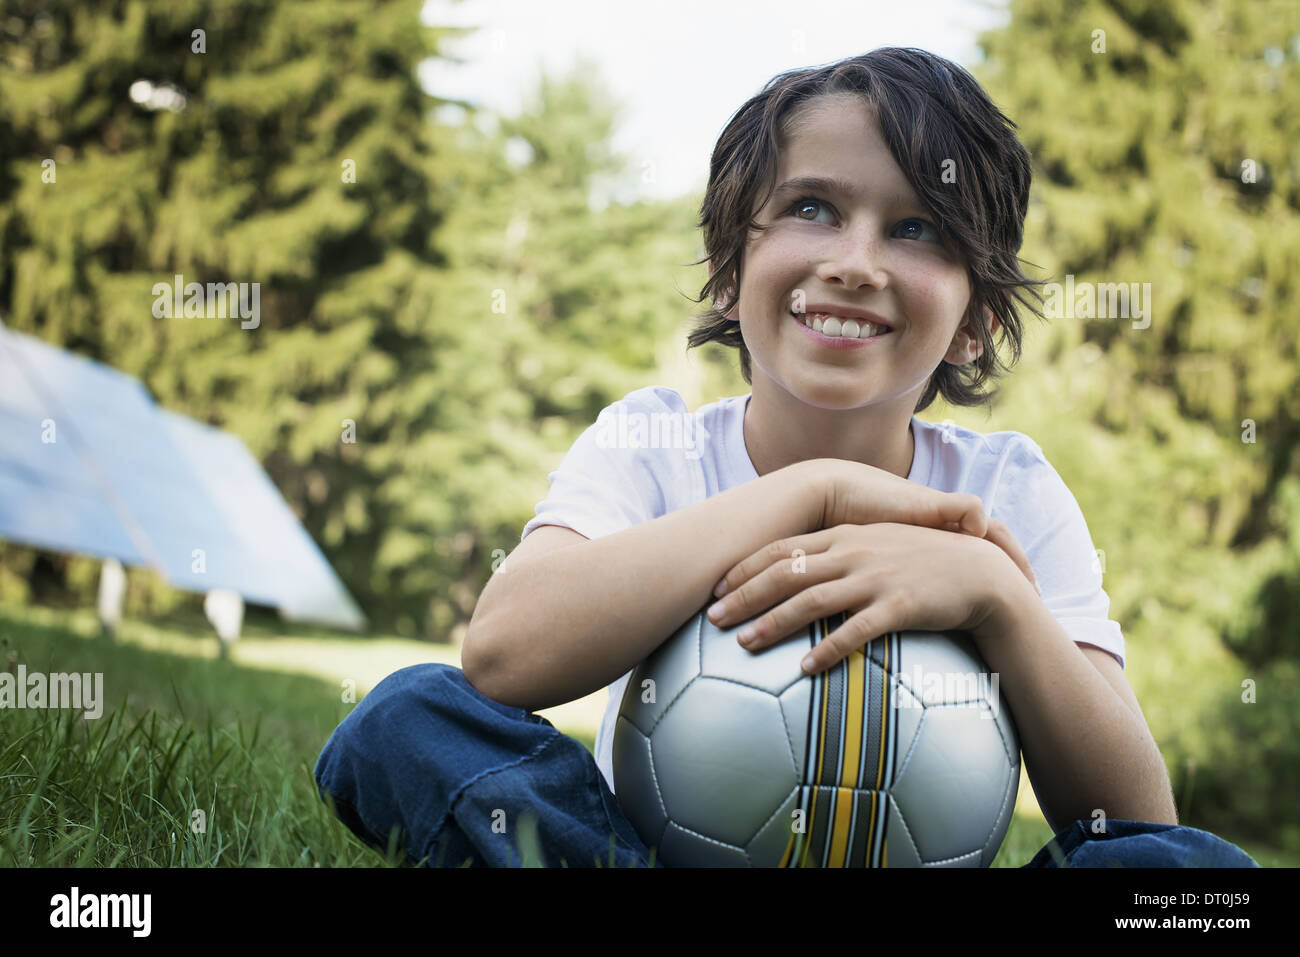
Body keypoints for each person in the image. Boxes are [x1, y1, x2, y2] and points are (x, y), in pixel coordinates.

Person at [314, 47, 1259, 868]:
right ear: (729, 270)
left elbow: (1135, 821)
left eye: (916, 227)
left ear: (975, 323)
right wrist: (818, 494)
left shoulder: (1005, 490)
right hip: (643, 854)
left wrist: (994, 593)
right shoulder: (653, 444)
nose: (855, 261)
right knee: (407, 721)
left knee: (1192, 878)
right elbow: (503, 655)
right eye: (812, 207)